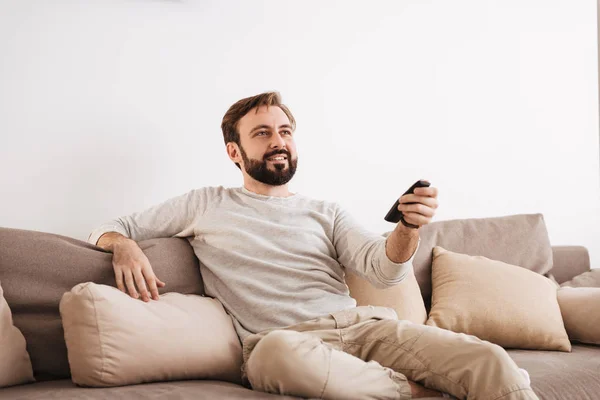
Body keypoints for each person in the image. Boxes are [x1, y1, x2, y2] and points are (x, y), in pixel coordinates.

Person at [88, 92, 537, 400]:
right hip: (283, 342)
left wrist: (407, 228)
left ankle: (393, 385)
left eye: (284, 131)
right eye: (262, 133)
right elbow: (109, 225)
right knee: (278, 359)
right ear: (234, 151)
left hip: (363, 328)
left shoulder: (327, 211)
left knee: (489, 360)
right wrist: (124, 245)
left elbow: (383, 270)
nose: (278, 141)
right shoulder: (205, 203)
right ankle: (414, 391)